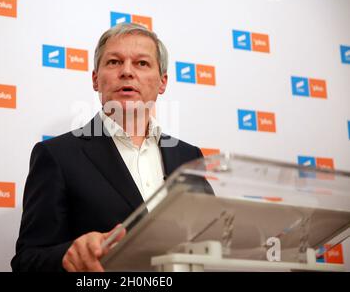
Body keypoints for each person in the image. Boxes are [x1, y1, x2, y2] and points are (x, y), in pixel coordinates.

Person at [11, 23, 212, 272]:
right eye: (114, 62)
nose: (127, 72)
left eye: (142, 63)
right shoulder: (57, 156)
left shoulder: (189, 156)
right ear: (95, 79)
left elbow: (212, 240)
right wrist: (68, 255)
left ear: (162, 82)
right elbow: (27, 261)